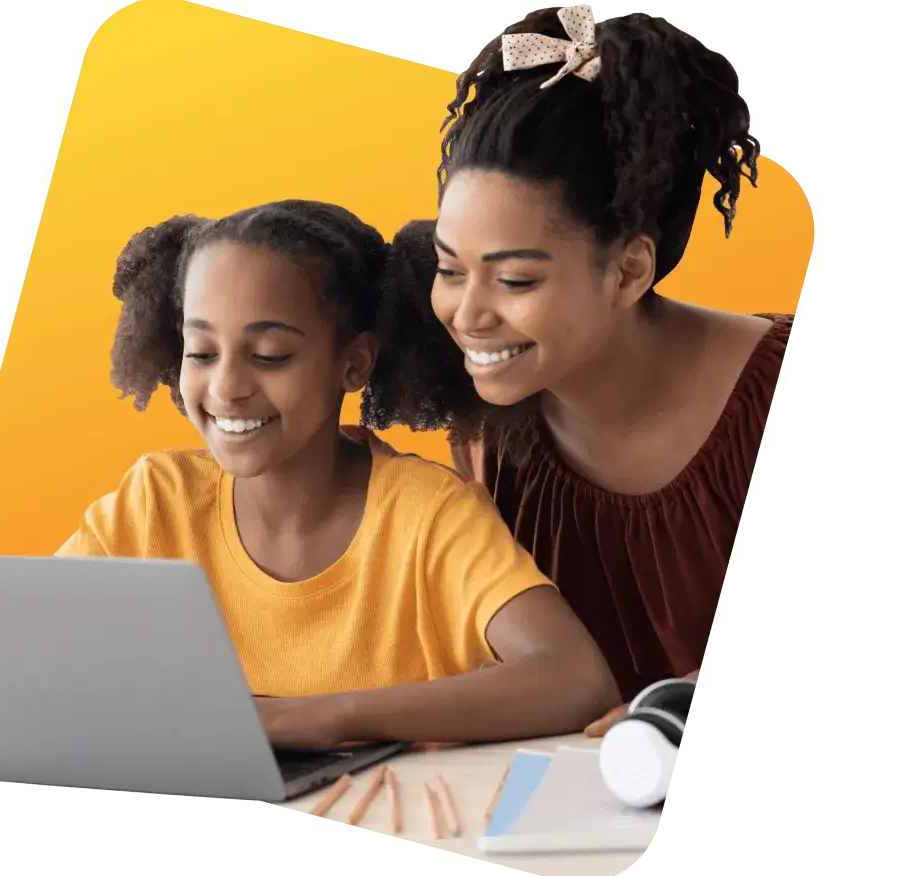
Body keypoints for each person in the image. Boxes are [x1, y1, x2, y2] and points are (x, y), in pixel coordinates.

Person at [359, 5, 793, 735]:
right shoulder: (486, 436)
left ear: (628, 271)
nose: (467, 313)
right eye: (448, 269)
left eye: (516, 280)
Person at [56, 199, 620, 750]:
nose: (226, 387)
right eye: (201, 352)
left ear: (353, 364)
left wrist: (323, 719)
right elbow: (19, 647)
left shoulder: (426, 516)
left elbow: (576, 677)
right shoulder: (157, 500)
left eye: (271, 355)